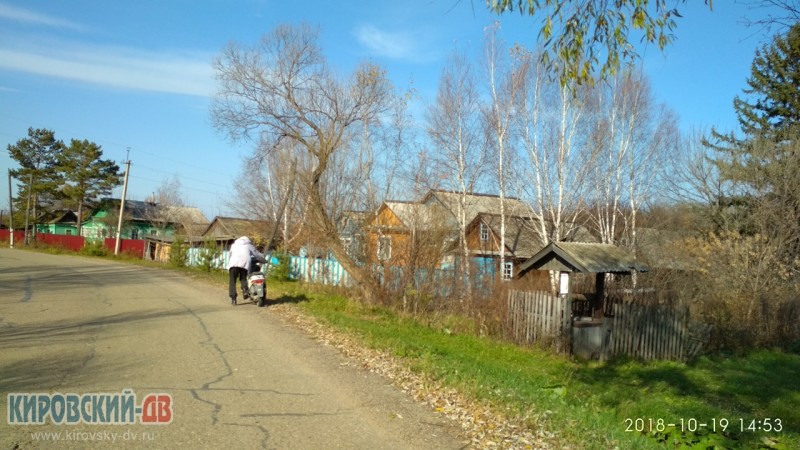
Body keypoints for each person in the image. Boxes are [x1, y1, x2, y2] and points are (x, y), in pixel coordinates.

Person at [226, 236, 267, 305]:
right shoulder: (248, 245)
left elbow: (230, 255)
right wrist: (264, 260)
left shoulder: (234, 245)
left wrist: (229, 263)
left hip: (233, 263)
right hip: (244, 263)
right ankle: (245, 290)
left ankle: (233, 299)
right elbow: (256, 254)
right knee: (243, 278)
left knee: (232, 281)